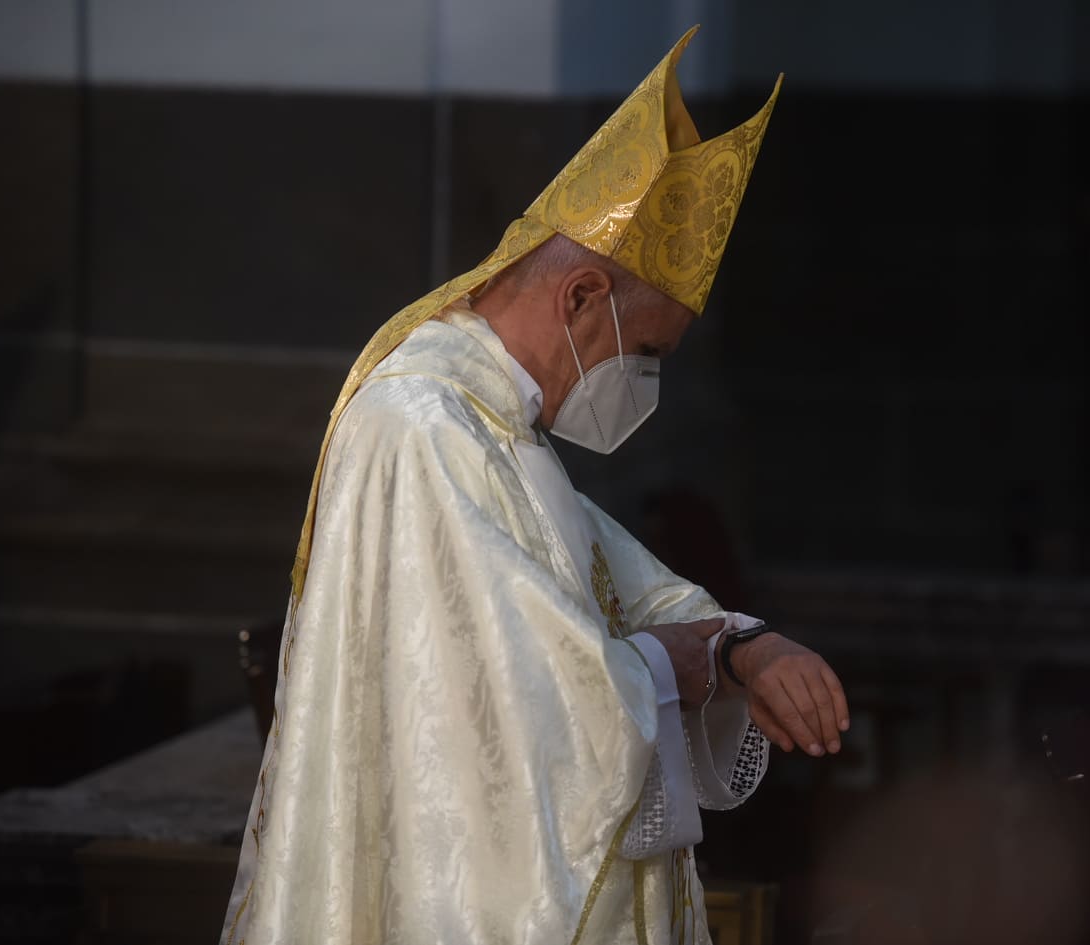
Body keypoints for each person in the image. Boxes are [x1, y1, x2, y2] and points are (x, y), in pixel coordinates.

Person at [221, 26, 850, 945]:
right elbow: (521, 706)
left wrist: (741, 646)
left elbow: (613, 587)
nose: (644, 385)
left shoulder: (494, 423)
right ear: (581, 299)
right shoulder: (424, 425)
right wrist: (676, 666)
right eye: (648, 353)